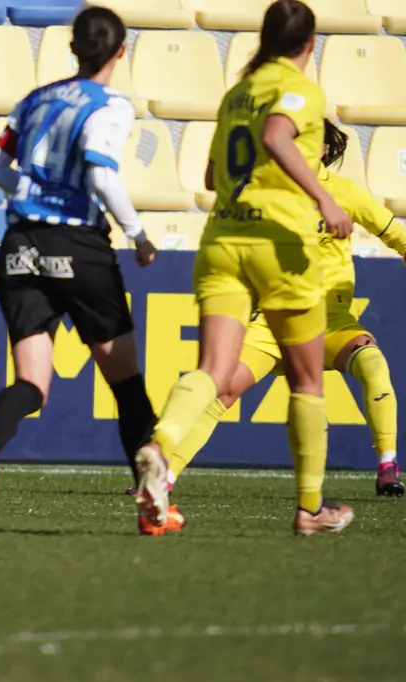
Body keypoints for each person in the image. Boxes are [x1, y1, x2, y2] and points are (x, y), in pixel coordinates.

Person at [133, 0, 356, 536]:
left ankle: (159, 448)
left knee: (213, 370)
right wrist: (323, 199)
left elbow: (212, 175)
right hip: (277, 245)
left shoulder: (237, 93)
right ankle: (309, 509)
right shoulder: (301, 90)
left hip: (222, 241)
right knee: (307, 381)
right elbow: (278, 136)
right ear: (309, 42)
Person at [0, 6, 161, 523]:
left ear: (72, 48)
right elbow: (99, 172)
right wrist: (138, 235)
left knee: (31, 384)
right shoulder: (111, 105)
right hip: (79, 246)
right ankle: (153, 498)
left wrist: (33, 190)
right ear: (121, 51)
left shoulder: (35, 99)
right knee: (127, 384)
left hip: (22, 243)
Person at [167, 120, 406, 497]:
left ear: (325, 148)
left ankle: (387, 465)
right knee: (222, 391)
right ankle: (164, 477)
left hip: (331, 321)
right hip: (274, 321)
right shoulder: (270, 190)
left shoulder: (345, 193)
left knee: (372, 362)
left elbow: (397, 235)